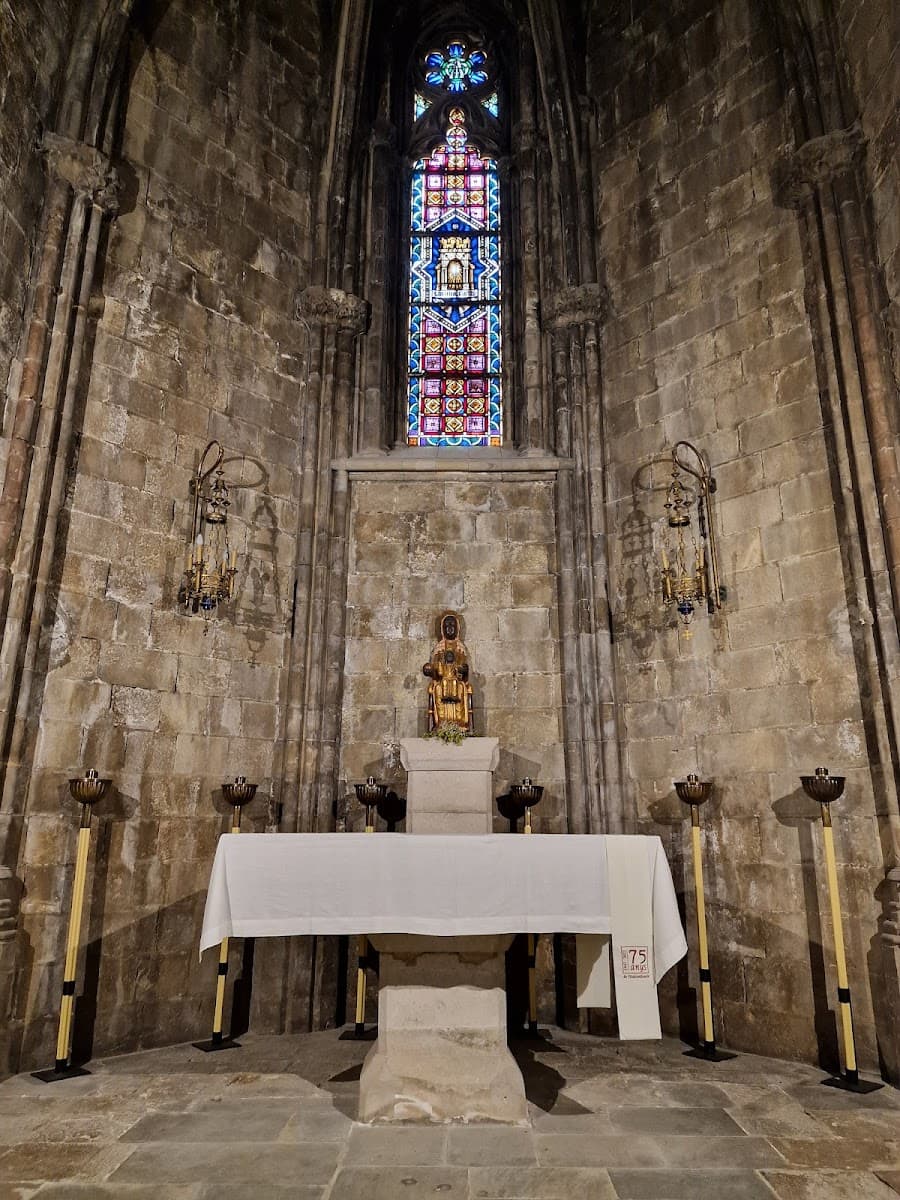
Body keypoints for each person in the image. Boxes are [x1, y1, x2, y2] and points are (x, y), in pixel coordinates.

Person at [422, 611, 474, 733]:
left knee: (461, 688)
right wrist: (430, 670)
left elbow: (464, 670)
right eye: (447, 626)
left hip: (457, 682)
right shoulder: (439, 649)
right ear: (442, 630)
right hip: (442, 681)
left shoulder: (460, 649)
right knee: (437, 689)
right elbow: (435, 669)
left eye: (452, 625)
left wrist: (463, 670)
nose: (450, 628)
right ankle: (441, 723)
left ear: (457, 629)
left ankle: (460, 723)